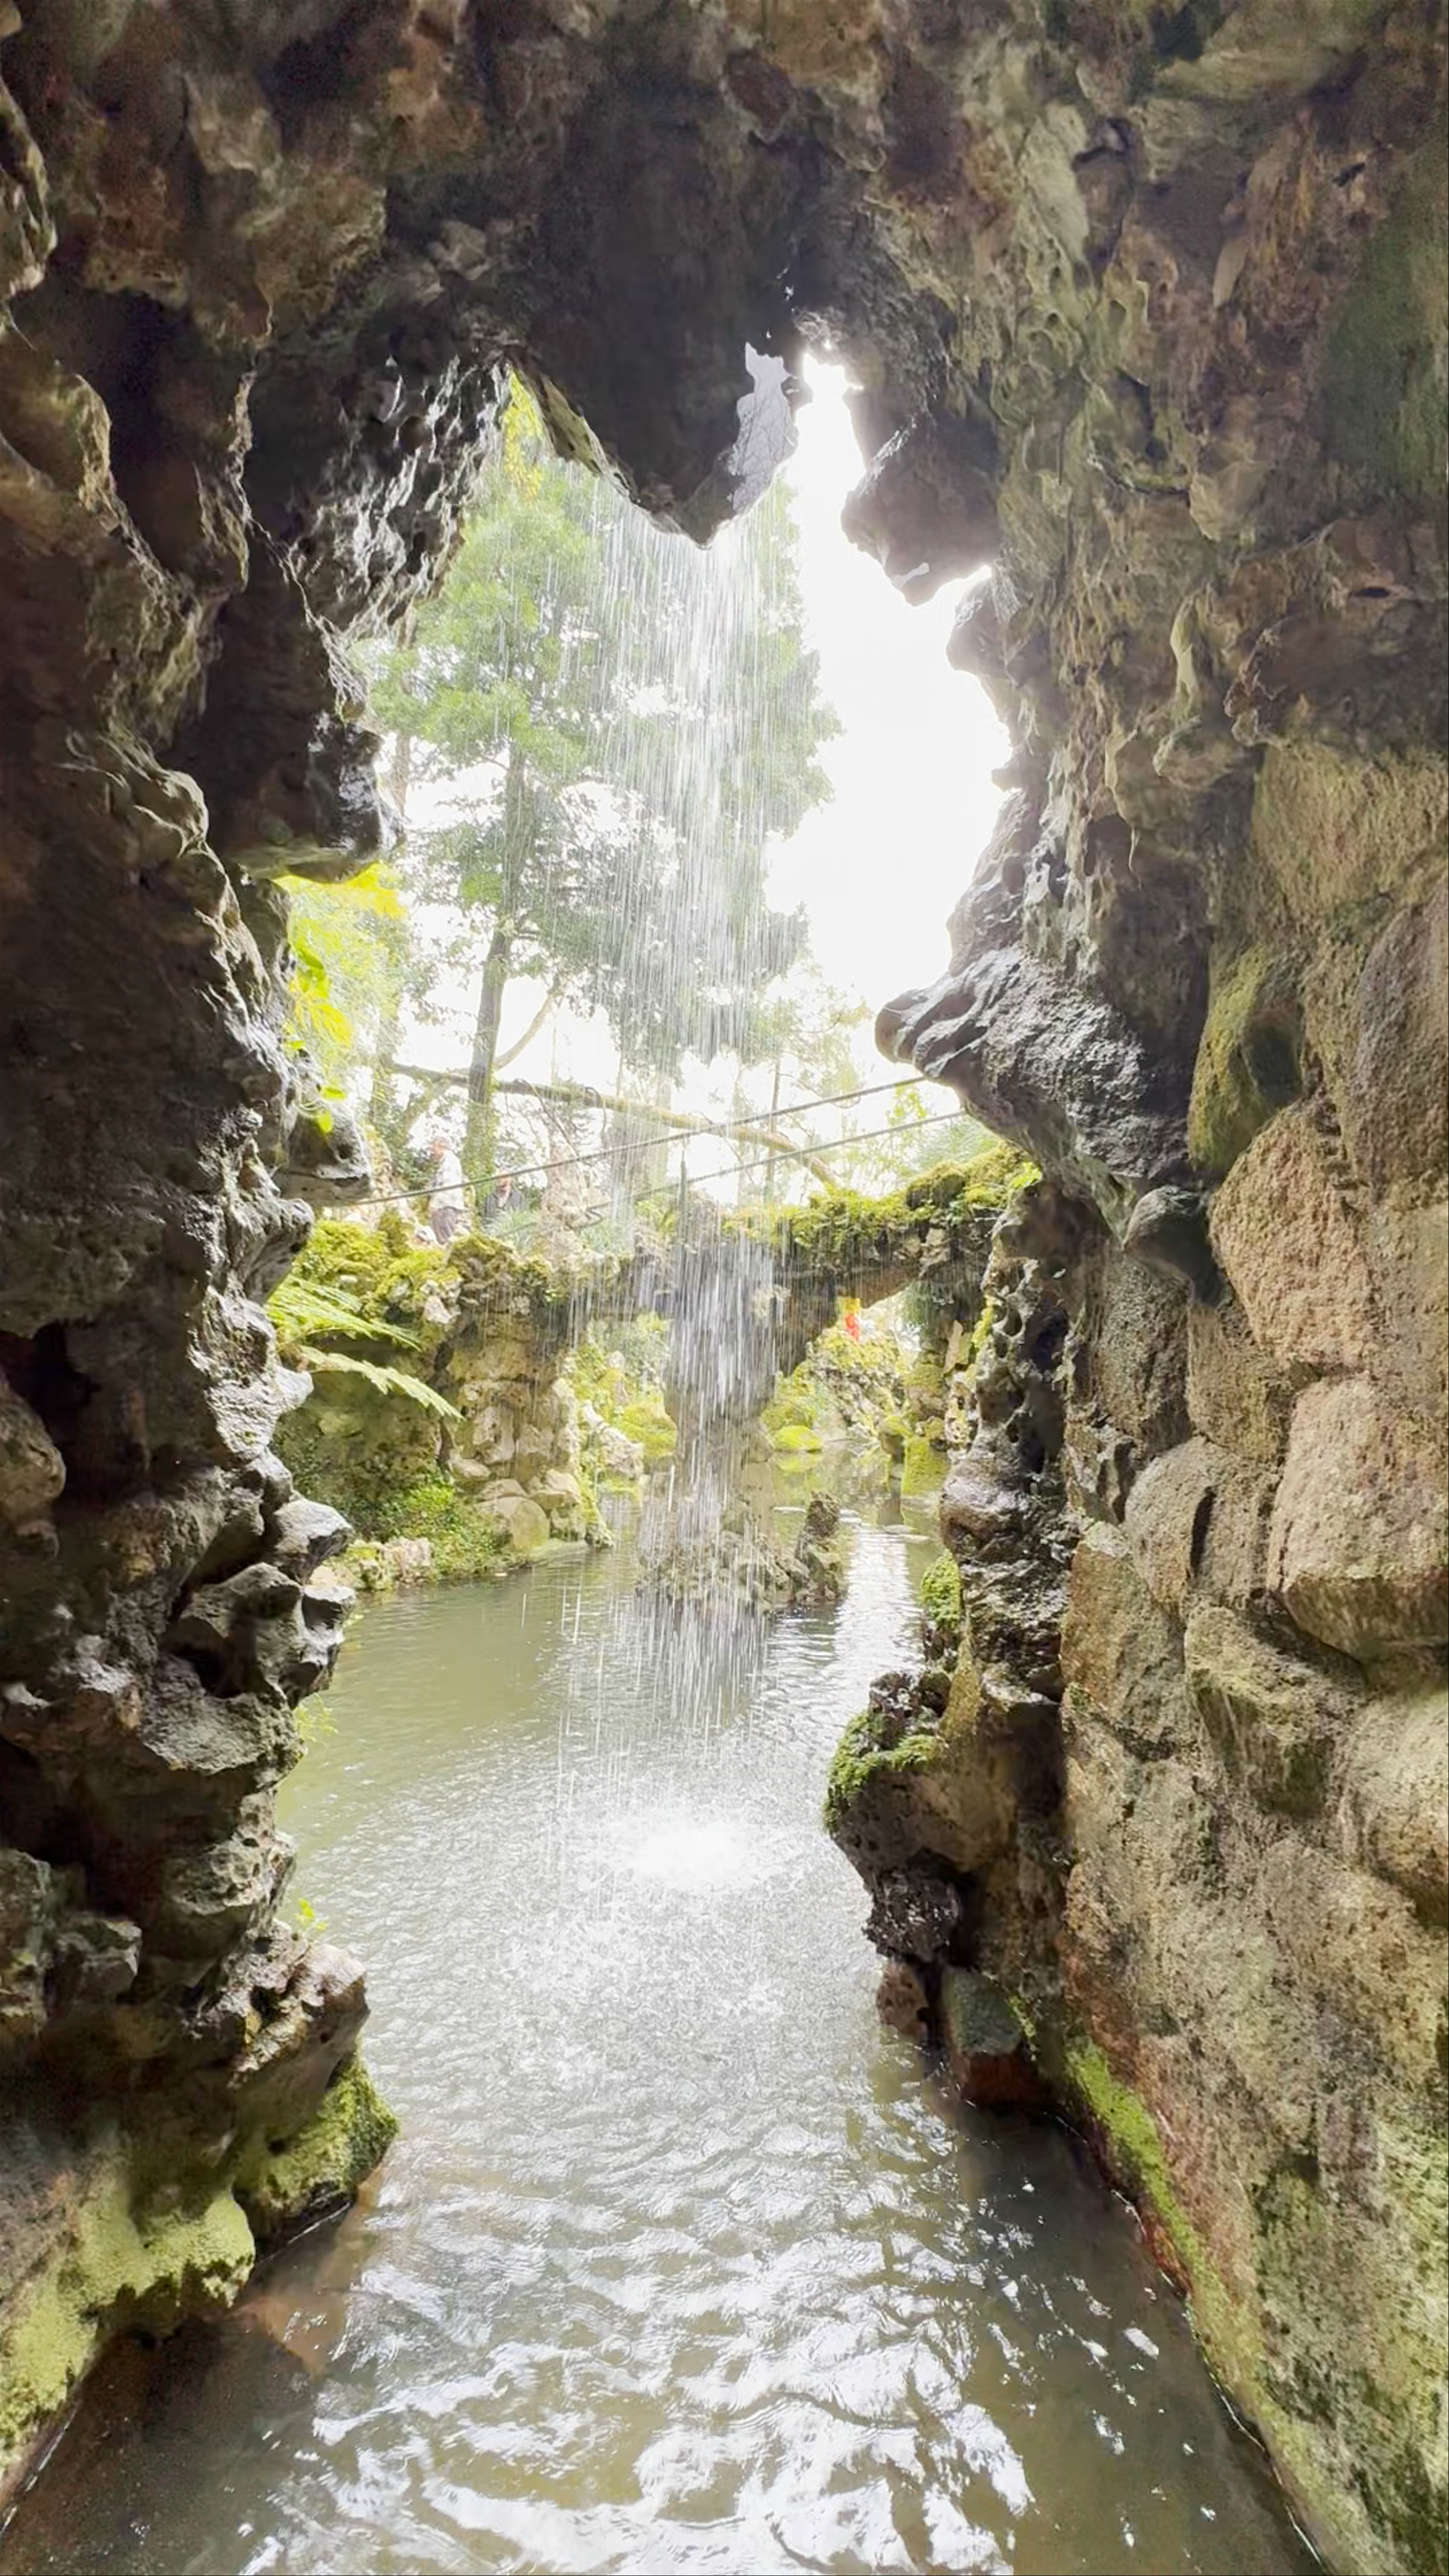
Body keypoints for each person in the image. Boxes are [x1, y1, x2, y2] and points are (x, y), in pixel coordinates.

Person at [426, 1133, 468, 1244]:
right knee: (442, 1238)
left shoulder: (450, 1162)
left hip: (446, 1207)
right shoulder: (448, 1161)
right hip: (447, 1206)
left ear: (441, 1146)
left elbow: (447, 1185)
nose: (432, 1151)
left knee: (443, 1239)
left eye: (433, 1147)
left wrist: (434, 1204)